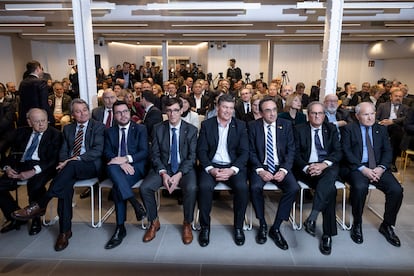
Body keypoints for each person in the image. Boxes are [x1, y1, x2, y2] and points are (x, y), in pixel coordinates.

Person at [12, 99, 105, 251]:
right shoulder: (68, 129)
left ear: (89, 111)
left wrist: (71, 160)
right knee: (64, 187)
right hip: (69, 167)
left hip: (90, 165)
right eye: (77, 111)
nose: (82, 114)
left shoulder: (98, 126)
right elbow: (63, 150)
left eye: (84, 110)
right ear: (72, 114)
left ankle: (41, 203)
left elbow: (97, 151)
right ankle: (64, 231)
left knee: (70, 167)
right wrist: (64, 161)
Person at [341, 102, 403, 247]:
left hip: (377, 167)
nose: (370, 118)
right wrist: (363, 169)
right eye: (365, 114)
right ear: (357, 116)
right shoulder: (349, 129)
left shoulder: (380, 129)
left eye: (372, 114)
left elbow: (388, 151)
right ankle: (357, 223)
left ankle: (387, 225)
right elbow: (346, 152)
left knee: (396, 190)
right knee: (360, 187)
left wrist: (381, 168)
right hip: (357, 168)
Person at [140, 97, 198, 244]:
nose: (172, 114)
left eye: (176, 111)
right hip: (163, 167)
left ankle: (187, 223)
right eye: (169, 111)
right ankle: (153, 221)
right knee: (145, 187)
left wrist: (179, 174)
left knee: (191, 187)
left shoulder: (191, 130)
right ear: (166, 112)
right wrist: (163, 173)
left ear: (182, 110)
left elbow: (192, 157)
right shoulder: (158, 128)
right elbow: (155, 154)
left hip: (183, 169)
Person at [197, 94, 249, 247]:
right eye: (225, 107)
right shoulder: (207, 125)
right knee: (205, 187)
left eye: (231, 108)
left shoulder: (240, 126)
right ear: (218, 107)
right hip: (212, 165)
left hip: (232, 166)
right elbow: (201, 151)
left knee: (242, 187)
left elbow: (245, 152)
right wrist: (211, 169)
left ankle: (238, 227)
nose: (228, 111)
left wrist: (232, 170)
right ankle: (205, 227)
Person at [248, 97, 299, 250]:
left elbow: (291, 151)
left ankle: (275, 227)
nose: (272, 114)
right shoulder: (252, 126)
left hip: (280, 166)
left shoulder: (287, 125)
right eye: (268, 111)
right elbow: (250, 151)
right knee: (255, 187)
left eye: (274, 110)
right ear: (261, 112)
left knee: (293, 188)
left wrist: (283, 170)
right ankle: (262, 223)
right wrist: (260, 170)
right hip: (261, 166)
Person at [0, 108, 61, 234]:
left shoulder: (55, 134)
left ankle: (35, 218)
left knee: (35, 185)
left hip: (43, 167)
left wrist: (34, 171)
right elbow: (10, 153)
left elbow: (53, 159)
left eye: (43, 121)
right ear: (29, 122)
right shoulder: (21, 132)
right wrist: (7, 168)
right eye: (37, 121)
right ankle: (15, 217)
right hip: (20, 165)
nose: (41, 124)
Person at [293, 101, 342, 255]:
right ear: (308, 115)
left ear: (324, 115)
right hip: (306, 169)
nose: (317, 116)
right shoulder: (299, 129)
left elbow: (338, 152)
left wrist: (323, 165)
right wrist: (308, 167)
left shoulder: (331, 128)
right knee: (330, 190)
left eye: (320, 113)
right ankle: (326, 233)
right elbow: (295, 154)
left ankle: (316, 221)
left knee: (330, 178)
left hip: (325, 168)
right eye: (313, 113)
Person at [103, 101, 148, 249]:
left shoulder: (140, 129)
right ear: (114, 115)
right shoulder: (110, 131)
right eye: (118, 112)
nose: (123, 115)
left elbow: (144, 152)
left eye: (125, 111)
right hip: (117, 167)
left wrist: (126, 159)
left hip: (135, 168)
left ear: (130, 112)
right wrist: (121, 163)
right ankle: (135, 205)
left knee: (117, 185)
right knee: (112, 169)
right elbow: (107, 153)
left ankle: (120, 228)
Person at [376, 88, 410, 171]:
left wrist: (392, 121)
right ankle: (384, 161)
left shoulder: (406, 108)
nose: (398, 98)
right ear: (391, 97)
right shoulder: (382, 105)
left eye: (400, 96)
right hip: (383, 127)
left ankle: (391, 162)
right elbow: (375, 118)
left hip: (397, 129)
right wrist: (381, 122)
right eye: (396, 96)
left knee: (396, 130)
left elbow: (406, 118)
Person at [18, 60, 54, 127]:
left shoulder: (22, 83)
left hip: (26, 118)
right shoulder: (41, 82)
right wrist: (49, 118)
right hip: (38, 117)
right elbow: (43, 103)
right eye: (41, 68)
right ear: (38, 69)